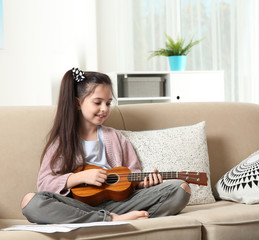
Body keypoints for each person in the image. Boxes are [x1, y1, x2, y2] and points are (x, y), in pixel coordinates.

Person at [21, 68, 191, 223]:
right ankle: (110, 220)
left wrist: (143, 183)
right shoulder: (62, 142)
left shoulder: (116, 138)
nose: (104, 109)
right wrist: (80, 177)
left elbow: (133, 173)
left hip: (121, 203)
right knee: (30, 201)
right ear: (77, 103)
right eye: (97, 102)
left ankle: (112, 219)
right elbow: (44, 183)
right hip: (77, 206)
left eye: (108, 103)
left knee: (181, 189)